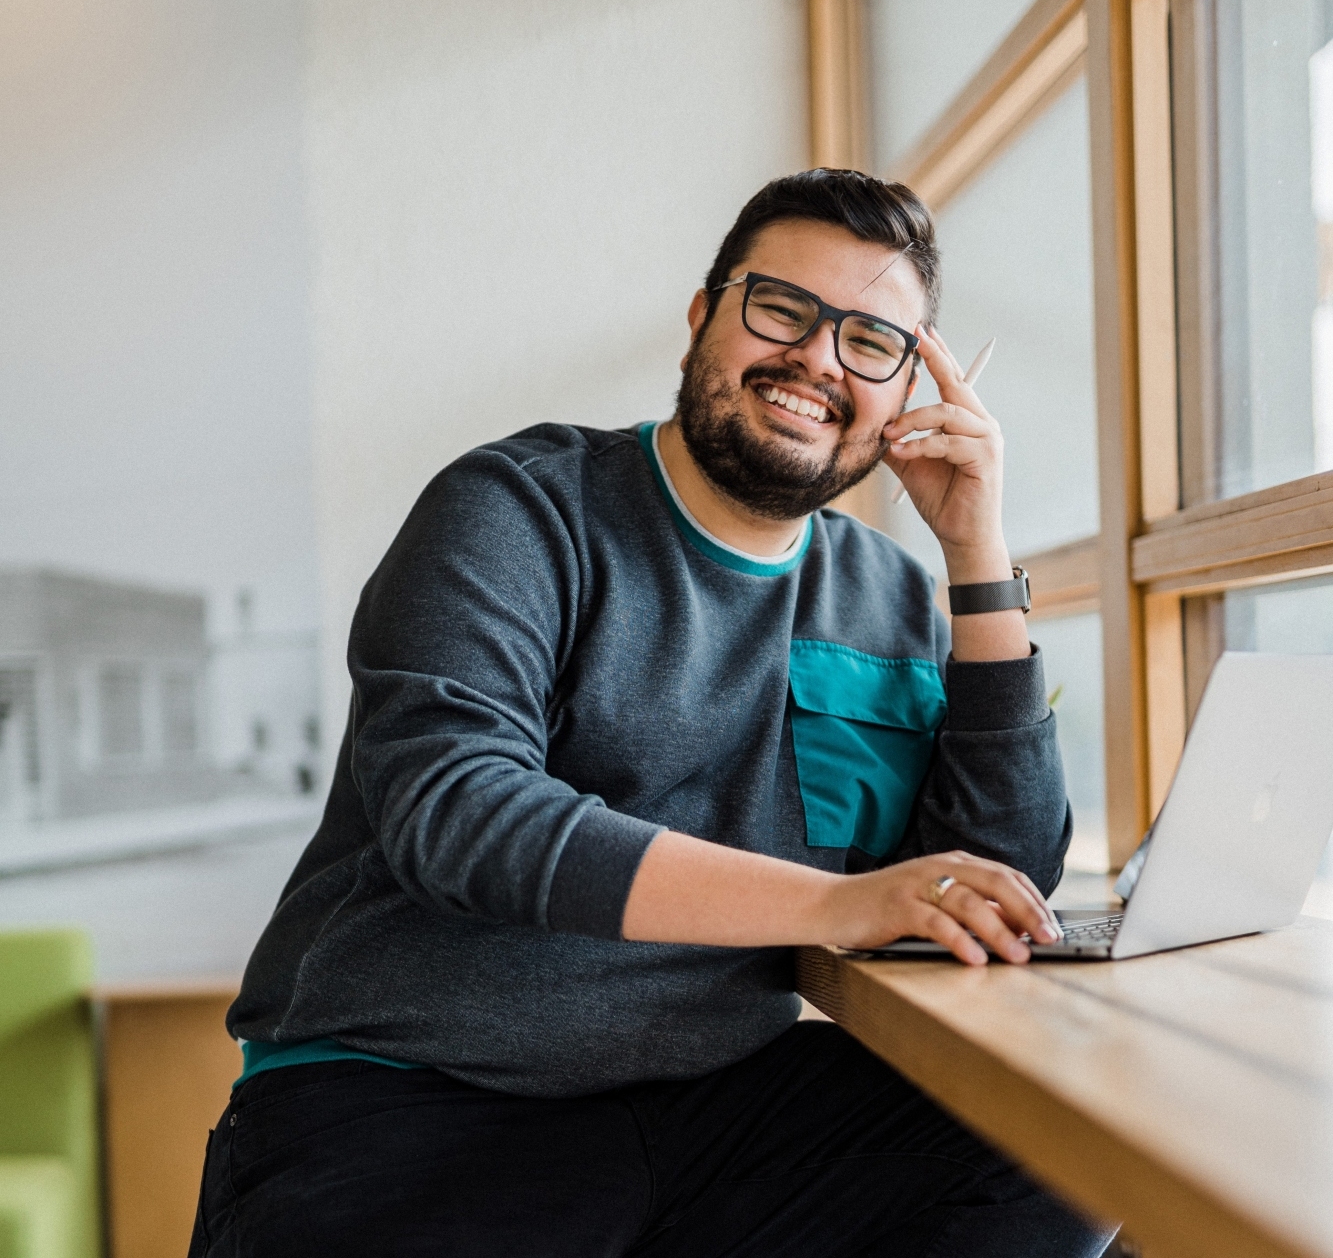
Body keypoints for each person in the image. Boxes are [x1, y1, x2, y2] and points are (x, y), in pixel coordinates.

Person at [190, 170, 1116, 1257]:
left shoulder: (893, 594)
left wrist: (975, 553)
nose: (818, 357)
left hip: (716, 1103)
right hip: (408, 1096)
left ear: (910, 384)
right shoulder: (517, 510)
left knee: (1062, 1145)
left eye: (870, 340)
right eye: (783, 309)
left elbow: (989, 877)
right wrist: (838, 903)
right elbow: (460, 813)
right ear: (702, 315)